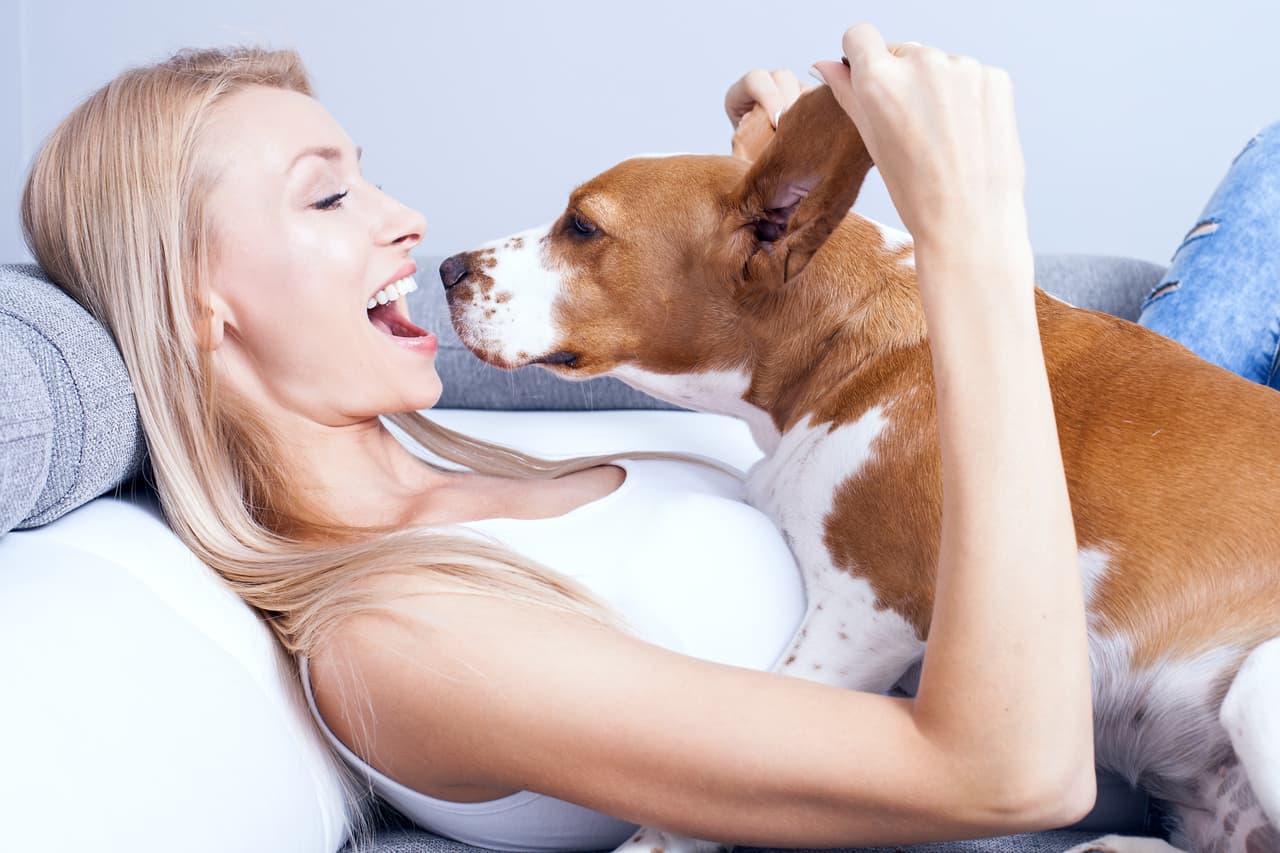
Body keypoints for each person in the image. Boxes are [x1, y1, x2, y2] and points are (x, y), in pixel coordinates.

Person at [22, 23, 1099, 851]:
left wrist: (774, 208)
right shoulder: (401, 637)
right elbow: (1012, 775)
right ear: (195, 300)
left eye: (369, 175)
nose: (406, 217)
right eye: (330, 196)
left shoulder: (472, 457)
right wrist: (972, 241)